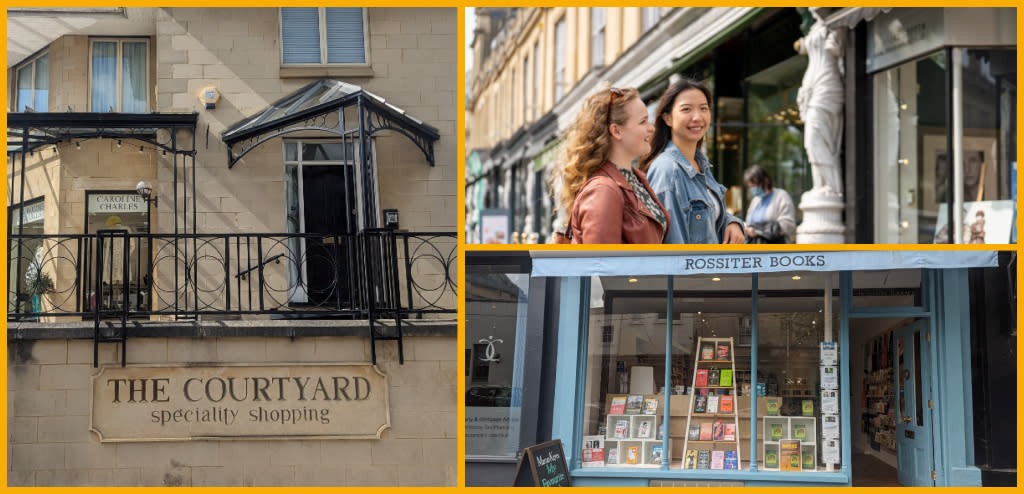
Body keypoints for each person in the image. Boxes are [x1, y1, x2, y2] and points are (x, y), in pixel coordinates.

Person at [553, 86, 669, 244]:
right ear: (616, 131)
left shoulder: (637, 178)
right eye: (643, 122)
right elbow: (601, 265)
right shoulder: (604, 190)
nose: (651, 128)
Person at [641, 78, 744, 244]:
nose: (697, 117)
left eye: (704, 108)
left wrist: (731, 222)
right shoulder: (668, 170)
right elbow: (674, 250)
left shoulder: (700, 165)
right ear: (667, 118)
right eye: (686, 109)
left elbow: (707, 219)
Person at [743, 165, 796, 243]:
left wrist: (757, 230)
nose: (753, 189)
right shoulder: (755, 200)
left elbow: (788, 225)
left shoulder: (781, 196)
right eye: (750, 187)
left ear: (766, 180)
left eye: (754, 185)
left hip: (775, 249)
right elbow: (749, 222)